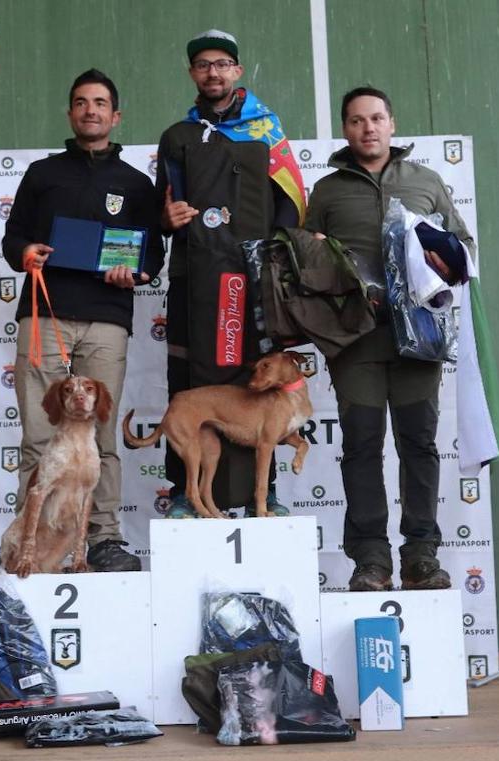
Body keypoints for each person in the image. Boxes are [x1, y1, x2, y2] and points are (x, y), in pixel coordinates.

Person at [304, 86, 474, 591]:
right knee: (361, 447)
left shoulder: (426, 181)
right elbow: (305, 264)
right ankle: (371, 562)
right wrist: (315, 254)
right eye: (357, 121)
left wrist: (444, 258)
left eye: (377, 118)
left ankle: (422, 555)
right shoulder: (328, 191)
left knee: (419, 445)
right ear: (346, 129)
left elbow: (463, 246)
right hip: (355, 341)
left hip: (419, 337)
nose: (368, 128)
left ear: (392, 123)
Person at [1, 69, 164, 572]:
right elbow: (13, 240)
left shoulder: (137, 184)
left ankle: (105, 539)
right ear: (70, 113)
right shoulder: (42, 174)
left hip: (106, 319)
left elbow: (152, 256)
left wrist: (131, 272)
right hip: (44, 313)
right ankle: (27, 542)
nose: (90, 110)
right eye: (80, 102)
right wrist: (26, 251)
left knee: (101, 437)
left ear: (115, 116)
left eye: (100, 103)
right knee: (38, 434)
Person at [154, 29, 306, 518]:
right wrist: (166, 218)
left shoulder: (267, 132)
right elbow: (164, 204)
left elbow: (291, 204)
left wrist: (275, 260)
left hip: (253, 281)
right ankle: (183, 493)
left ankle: (269, 494)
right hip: (195, 278)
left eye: (222, 64)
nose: (213, 72)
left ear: (237, 70)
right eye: (203, 65)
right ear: (192, 73)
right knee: (190, 386)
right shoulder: (177, 135)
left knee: (260, 386)